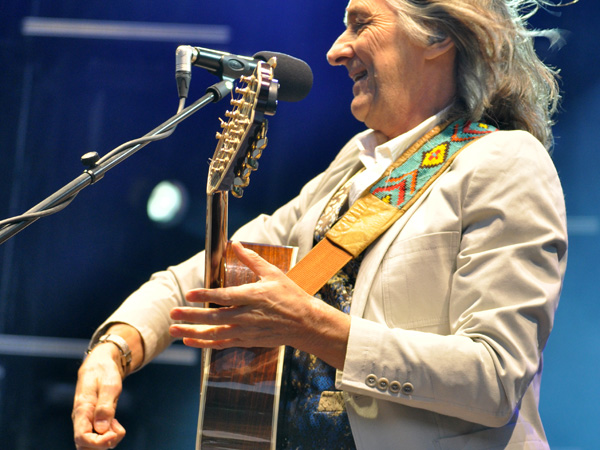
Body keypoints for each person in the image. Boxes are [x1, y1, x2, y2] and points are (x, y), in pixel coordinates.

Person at [72, 0, 569, 448]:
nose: (335, 51)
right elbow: (214, 270)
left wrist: (310, 326)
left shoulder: (505, 161)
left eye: (361, 24)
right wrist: (114, 347)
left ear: (437, 37)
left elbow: (495, 379)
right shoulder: (353, 167)